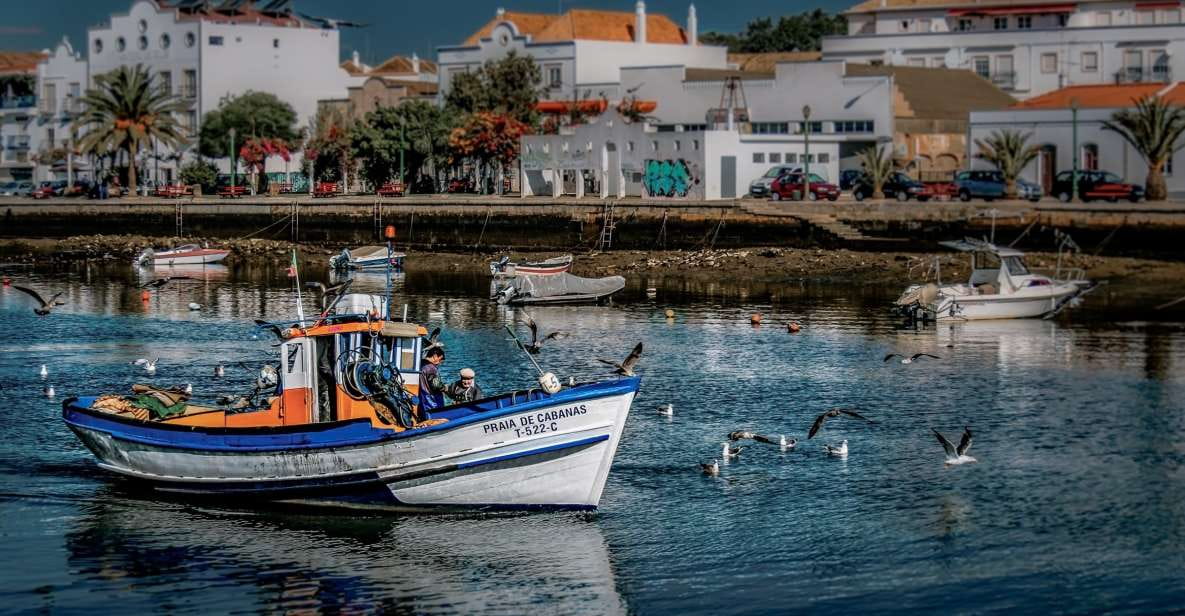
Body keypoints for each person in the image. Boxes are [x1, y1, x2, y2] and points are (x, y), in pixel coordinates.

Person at [418, 346, 447, 415]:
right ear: (435, 356)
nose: (439, 363)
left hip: (422, 399)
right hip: (431, 401)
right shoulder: (431, 368)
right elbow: (436, 385)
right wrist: (445, 388)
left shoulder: (420, 364)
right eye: (440, 360)